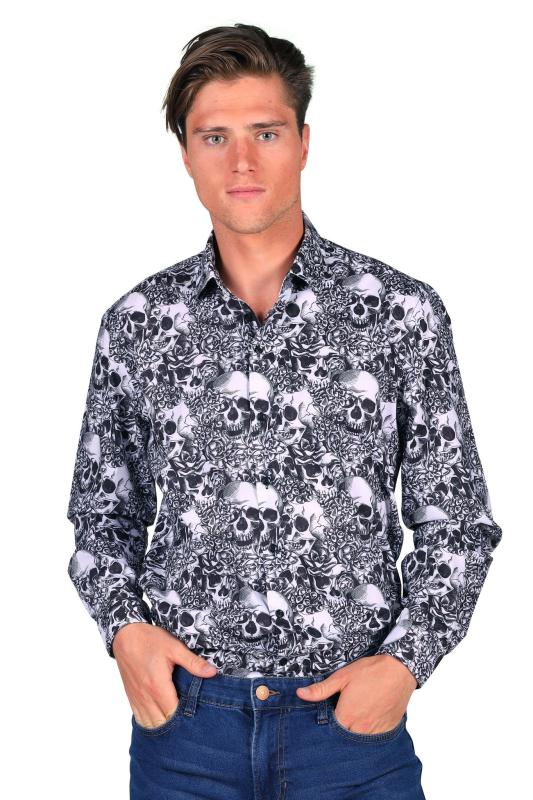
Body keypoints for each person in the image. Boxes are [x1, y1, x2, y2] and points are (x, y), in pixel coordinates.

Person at [66, 22, 502, 800]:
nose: (241, 160)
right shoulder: (137, 324)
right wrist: (126, 634)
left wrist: (403, 665)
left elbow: (457, 524)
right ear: (186, 154)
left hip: (349, 735)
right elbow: (102, 520)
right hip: (187, 735)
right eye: (214, 137)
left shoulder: (398, 313)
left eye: (264, 133)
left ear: (303, 142)